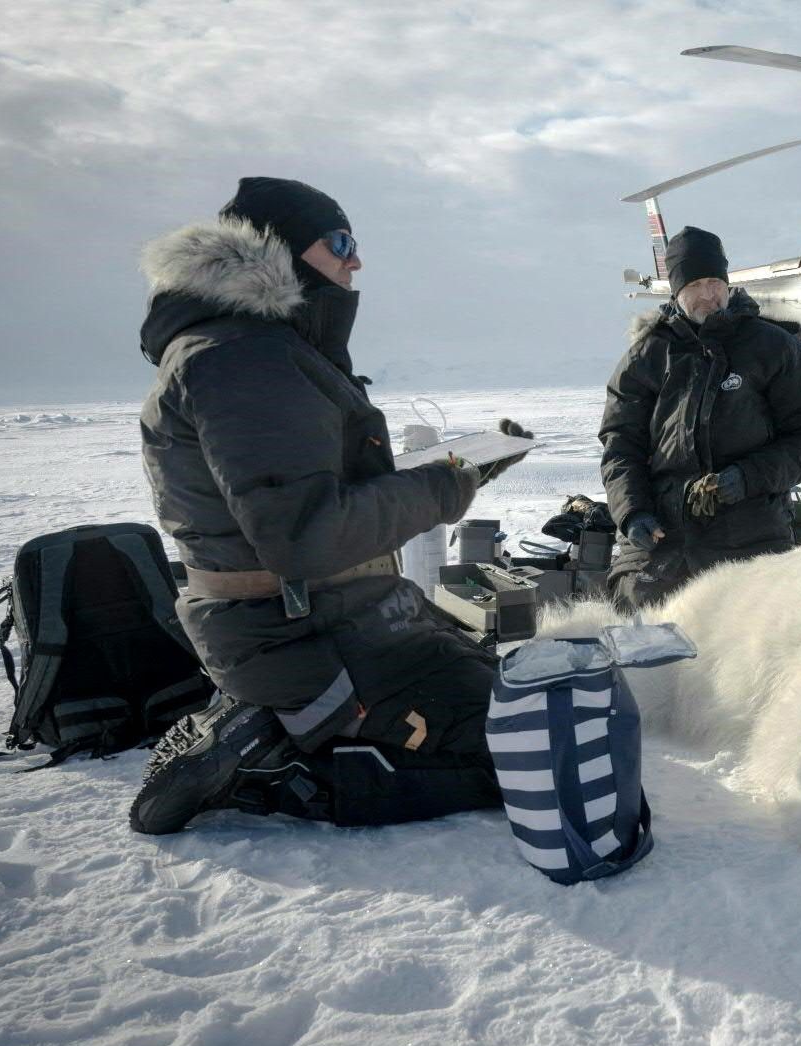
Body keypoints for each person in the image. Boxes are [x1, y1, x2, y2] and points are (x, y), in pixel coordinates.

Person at [131, 177, 525, 834]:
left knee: (524, 695)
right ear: (279, 252)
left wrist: (462, 468)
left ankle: (289, 723)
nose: (355, 260)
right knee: (515, 752)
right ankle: (279, 765)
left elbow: (315, 497)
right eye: (339, 242)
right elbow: (307, 537)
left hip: (351, 617)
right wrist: (446, 486)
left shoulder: (265, 351)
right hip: (301, 639)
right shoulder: (244, 359)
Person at [600, 226, 801, 612]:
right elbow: (620, 445)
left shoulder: (774, 348)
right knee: (637, 628)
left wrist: (745, 478)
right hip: (662, 538)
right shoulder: (647, 356)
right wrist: (632, 511)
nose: (709, 295)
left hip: (751, 533)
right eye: (696, 285)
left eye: (715, 282)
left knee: (747, 637)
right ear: (677, 291)